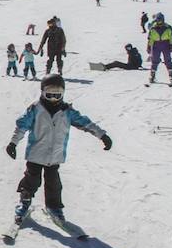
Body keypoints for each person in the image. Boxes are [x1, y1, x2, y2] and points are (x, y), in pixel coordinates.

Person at [6, 75, 112, 227]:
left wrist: (102, 135)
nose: (54, 98)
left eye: (58, 94)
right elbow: (22, 126)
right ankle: (24, 202)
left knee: (53, 183)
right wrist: (13, 143)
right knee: (31, 180)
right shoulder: (35, 109)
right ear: (42, 92)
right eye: (50, 94)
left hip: (55, 156)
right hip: (36, 154)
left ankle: (54, 207)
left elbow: (85, 123)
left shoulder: (67, 111)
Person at [146, 14, 172, 85]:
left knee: (167, 60)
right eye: (157, 20)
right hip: (156, 45)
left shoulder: (168, 27)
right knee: (155, 60)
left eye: (160, 20)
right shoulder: (153, 28)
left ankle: (171, 76)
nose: (159, 22)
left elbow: (171, 37)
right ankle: (152, 75)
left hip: (165, 44)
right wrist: (149, 46)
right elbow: (150, 38)